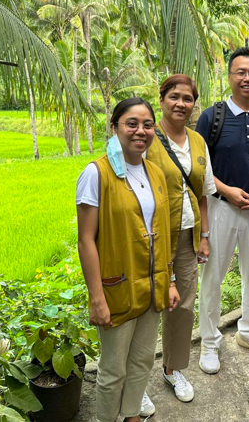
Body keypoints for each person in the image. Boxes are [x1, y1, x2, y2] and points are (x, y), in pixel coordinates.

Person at [76, 98, 179, 422]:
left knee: (142, 361)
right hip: (116, 288)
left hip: (152, 287)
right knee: (112, 369)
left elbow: (162, 233)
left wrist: (170, 281)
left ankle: (132, 413)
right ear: (115, 127)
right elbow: (86, 240)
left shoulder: (156, 173)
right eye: (131, 123)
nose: (141, 131)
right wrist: (97, 298)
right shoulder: (97, 173)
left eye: (147, 124)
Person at [195, 47, 249, 373]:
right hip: (221, 208)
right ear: (229, 77)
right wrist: (226, 190)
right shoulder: (212, 117)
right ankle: (209, 342)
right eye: (240, 72)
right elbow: (199, 165)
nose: (247, 78)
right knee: (213, 276)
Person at [141, 75, 216, 412]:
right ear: (162, 100)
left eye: (187, 98)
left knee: (183, 307)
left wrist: (203, 236)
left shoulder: (198, 141)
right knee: (146, 308)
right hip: (150, 238)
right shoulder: (146, 138)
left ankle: (173, 369)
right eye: (174, 96)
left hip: (187, 237)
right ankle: (136, 382)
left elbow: (202, 192)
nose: (181, 103)